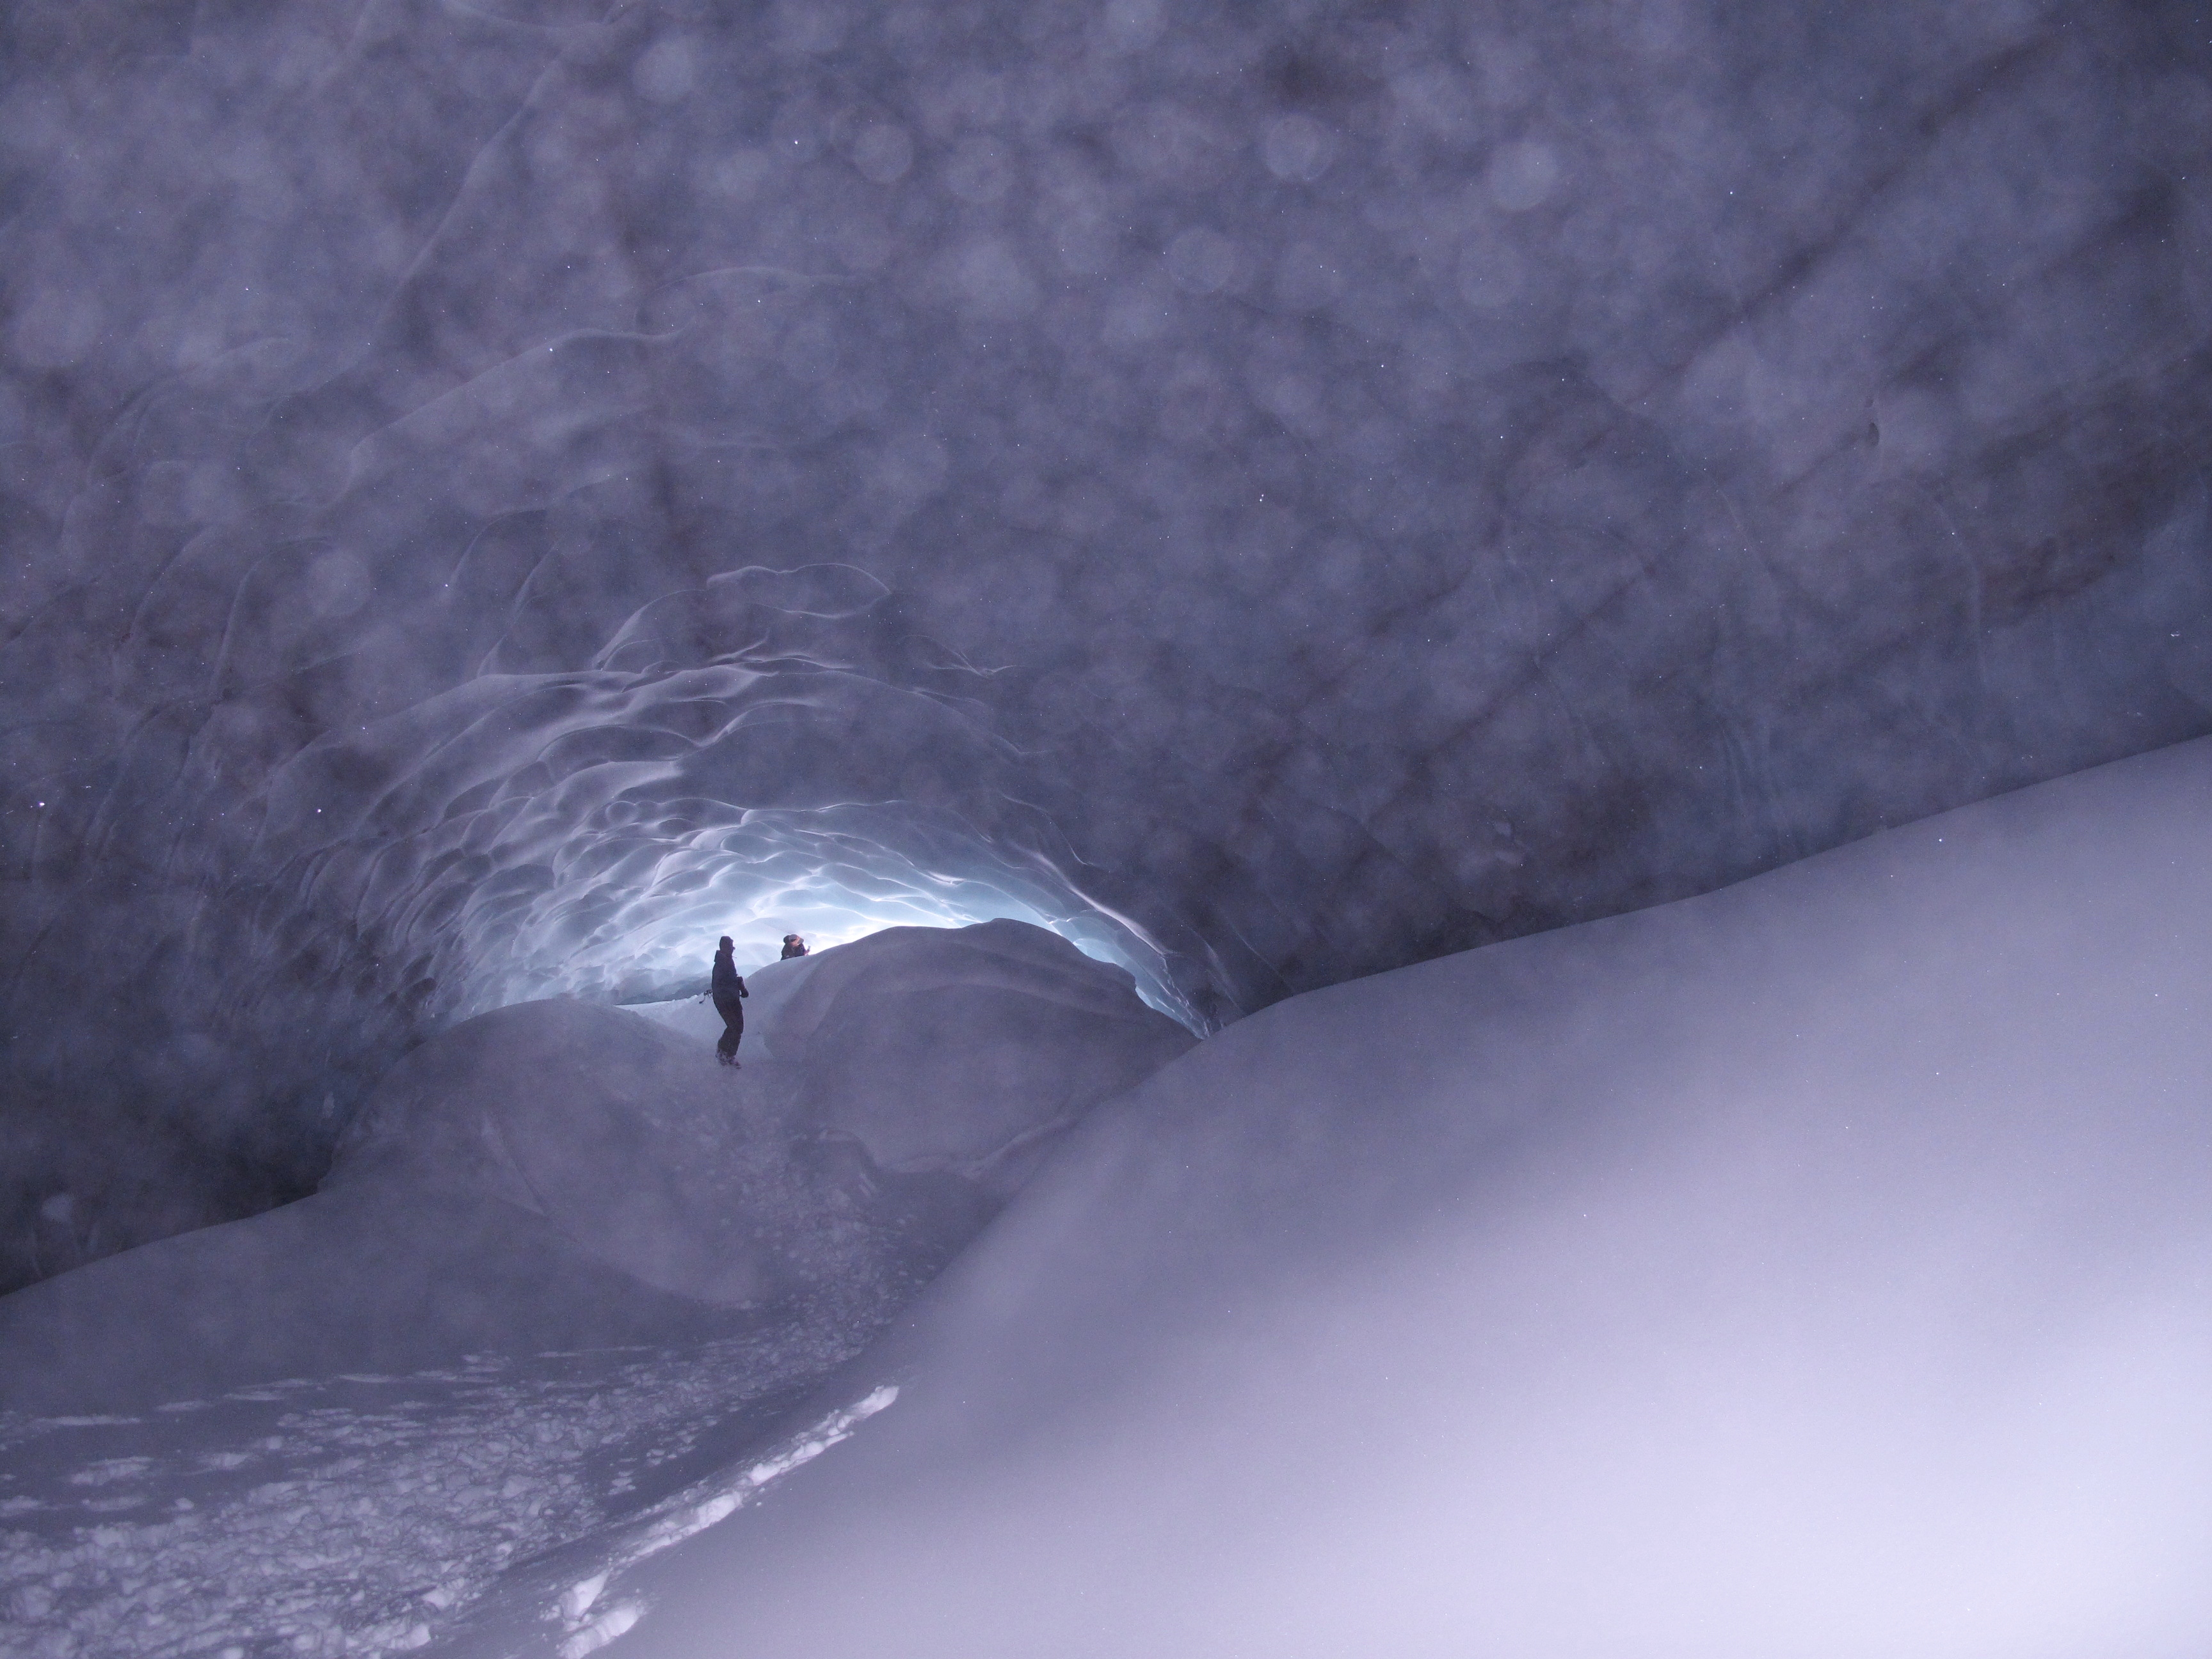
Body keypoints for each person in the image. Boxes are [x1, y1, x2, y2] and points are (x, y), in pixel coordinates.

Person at [711, 936, 748, 1066]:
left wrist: (739, 986)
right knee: (736, 1027)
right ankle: (726, 1054)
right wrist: (738, 987)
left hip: (730, 999)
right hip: (727, 1001)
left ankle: (724, 1052)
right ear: (725, 947)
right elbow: (721, 984)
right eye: (731, 946)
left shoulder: (726, 961)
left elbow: (728, 980)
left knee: (735, 1027)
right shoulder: (722, 963)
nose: (733, 949)